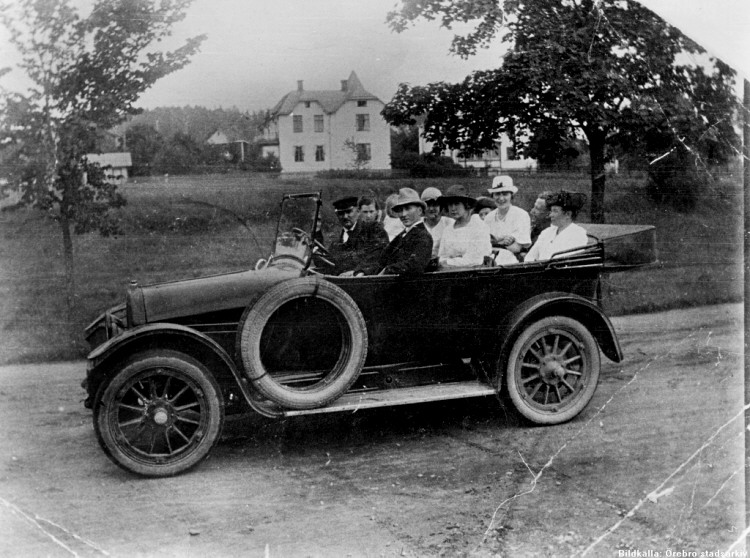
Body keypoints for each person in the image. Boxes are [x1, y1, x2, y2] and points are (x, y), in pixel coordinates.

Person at [351, 188, 433, 276]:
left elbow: (415, 266)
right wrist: (363, 271)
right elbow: (382, 259)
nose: (403, 214)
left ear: (420, 210)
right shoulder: (401, 236)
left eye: (408, 209)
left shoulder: (423, 236)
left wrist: (387, 270)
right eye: (400, 210)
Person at [324, 195, 388, 274]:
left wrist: (359, 271)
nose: (345, 216)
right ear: (337, 215)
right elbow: (330, 263)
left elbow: (378, 254)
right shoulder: (336, 240)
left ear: (358, 211)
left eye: (349, 212)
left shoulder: (374, 229)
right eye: (341, 213)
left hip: (366, 281)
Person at [437, 185, 492, 269]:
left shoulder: (479, 226)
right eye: (450, 204)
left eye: (456, 204)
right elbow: (441, 258)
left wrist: (449, 261)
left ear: (466, 205)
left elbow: (475, 260)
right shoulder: (448, 230)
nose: (453, 208)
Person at [524, 190, 589, 262]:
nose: (551, 215)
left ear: (568, 214)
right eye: (551, 211)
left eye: (555, 211)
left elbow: (565, 263)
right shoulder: (546, 233)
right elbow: (530, 257)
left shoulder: (577, 234)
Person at [484, 175, 531, 264]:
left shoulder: (521, 215)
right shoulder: (488, 217)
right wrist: (503, 243)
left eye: (505, 194)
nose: (501, 198)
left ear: (511, 196)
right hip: (490, 259)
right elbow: (484, 244)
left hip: (512, 262)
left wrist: (496, 243)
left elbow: (517, 248)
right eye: (497, 194)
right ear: (492, 196)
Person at [421, 187, 454, 262]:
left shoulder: (449, 223)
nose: (431, 209)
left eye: (435, 205)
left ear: (441, 206)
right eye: (428, 205)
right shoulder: (419, 225)